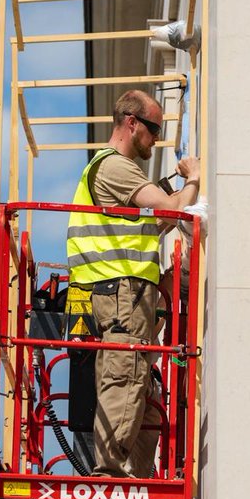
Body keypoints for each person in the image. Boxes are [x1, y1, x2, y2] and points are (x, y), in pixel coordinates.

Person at [66, 88, 200, 477]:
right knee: (126, 374)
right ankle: (110, 470)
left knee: (138, 383)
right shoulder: (115, 167)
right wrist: (192, 179)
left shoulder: (111, 171)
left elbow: (148, 224)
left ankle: (134, 472)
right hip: (122, 293)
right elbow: (175, 212)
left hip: (120, 292)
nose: (155, 138)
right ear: (131, 123)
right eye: (153, 129)